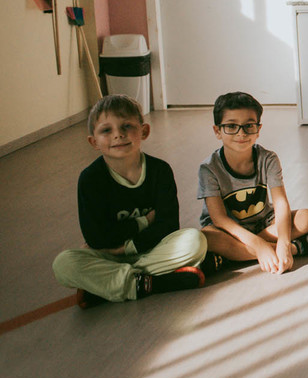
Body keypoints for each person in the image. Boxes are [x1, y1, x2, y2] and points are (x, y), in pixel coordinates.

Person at [52, 95, 207, 307]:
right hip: (109, 255)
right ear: (93, 142)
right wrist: (144, 221)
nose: (118, 134)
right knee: (63, 264)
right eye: (106, 130)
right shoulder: (90, 179)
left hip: (148, 250)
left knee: (194, 241)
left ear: (144, 131)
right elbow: (96, 237)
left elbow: (168, 226)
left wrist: (125, 248)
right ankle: (156, 283)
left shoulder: (159, 171)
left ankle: (109, 286)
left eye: (127, 126)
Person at [198, 92, 308, 273]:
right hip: (230, 232)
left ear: (258, 129)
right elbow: (220, 219)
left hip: (263, 224)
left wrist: (284, 242)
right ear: (217, 131)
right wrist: (259, 245)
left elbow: (280, 202)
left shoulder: (268, 159)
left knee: (307, 218)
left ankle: (232, 257)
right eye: (231, 126)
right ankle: (298, 248)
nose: (241, 133)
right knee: (206, 238)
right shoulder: (209, 168)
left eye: (249, 126)